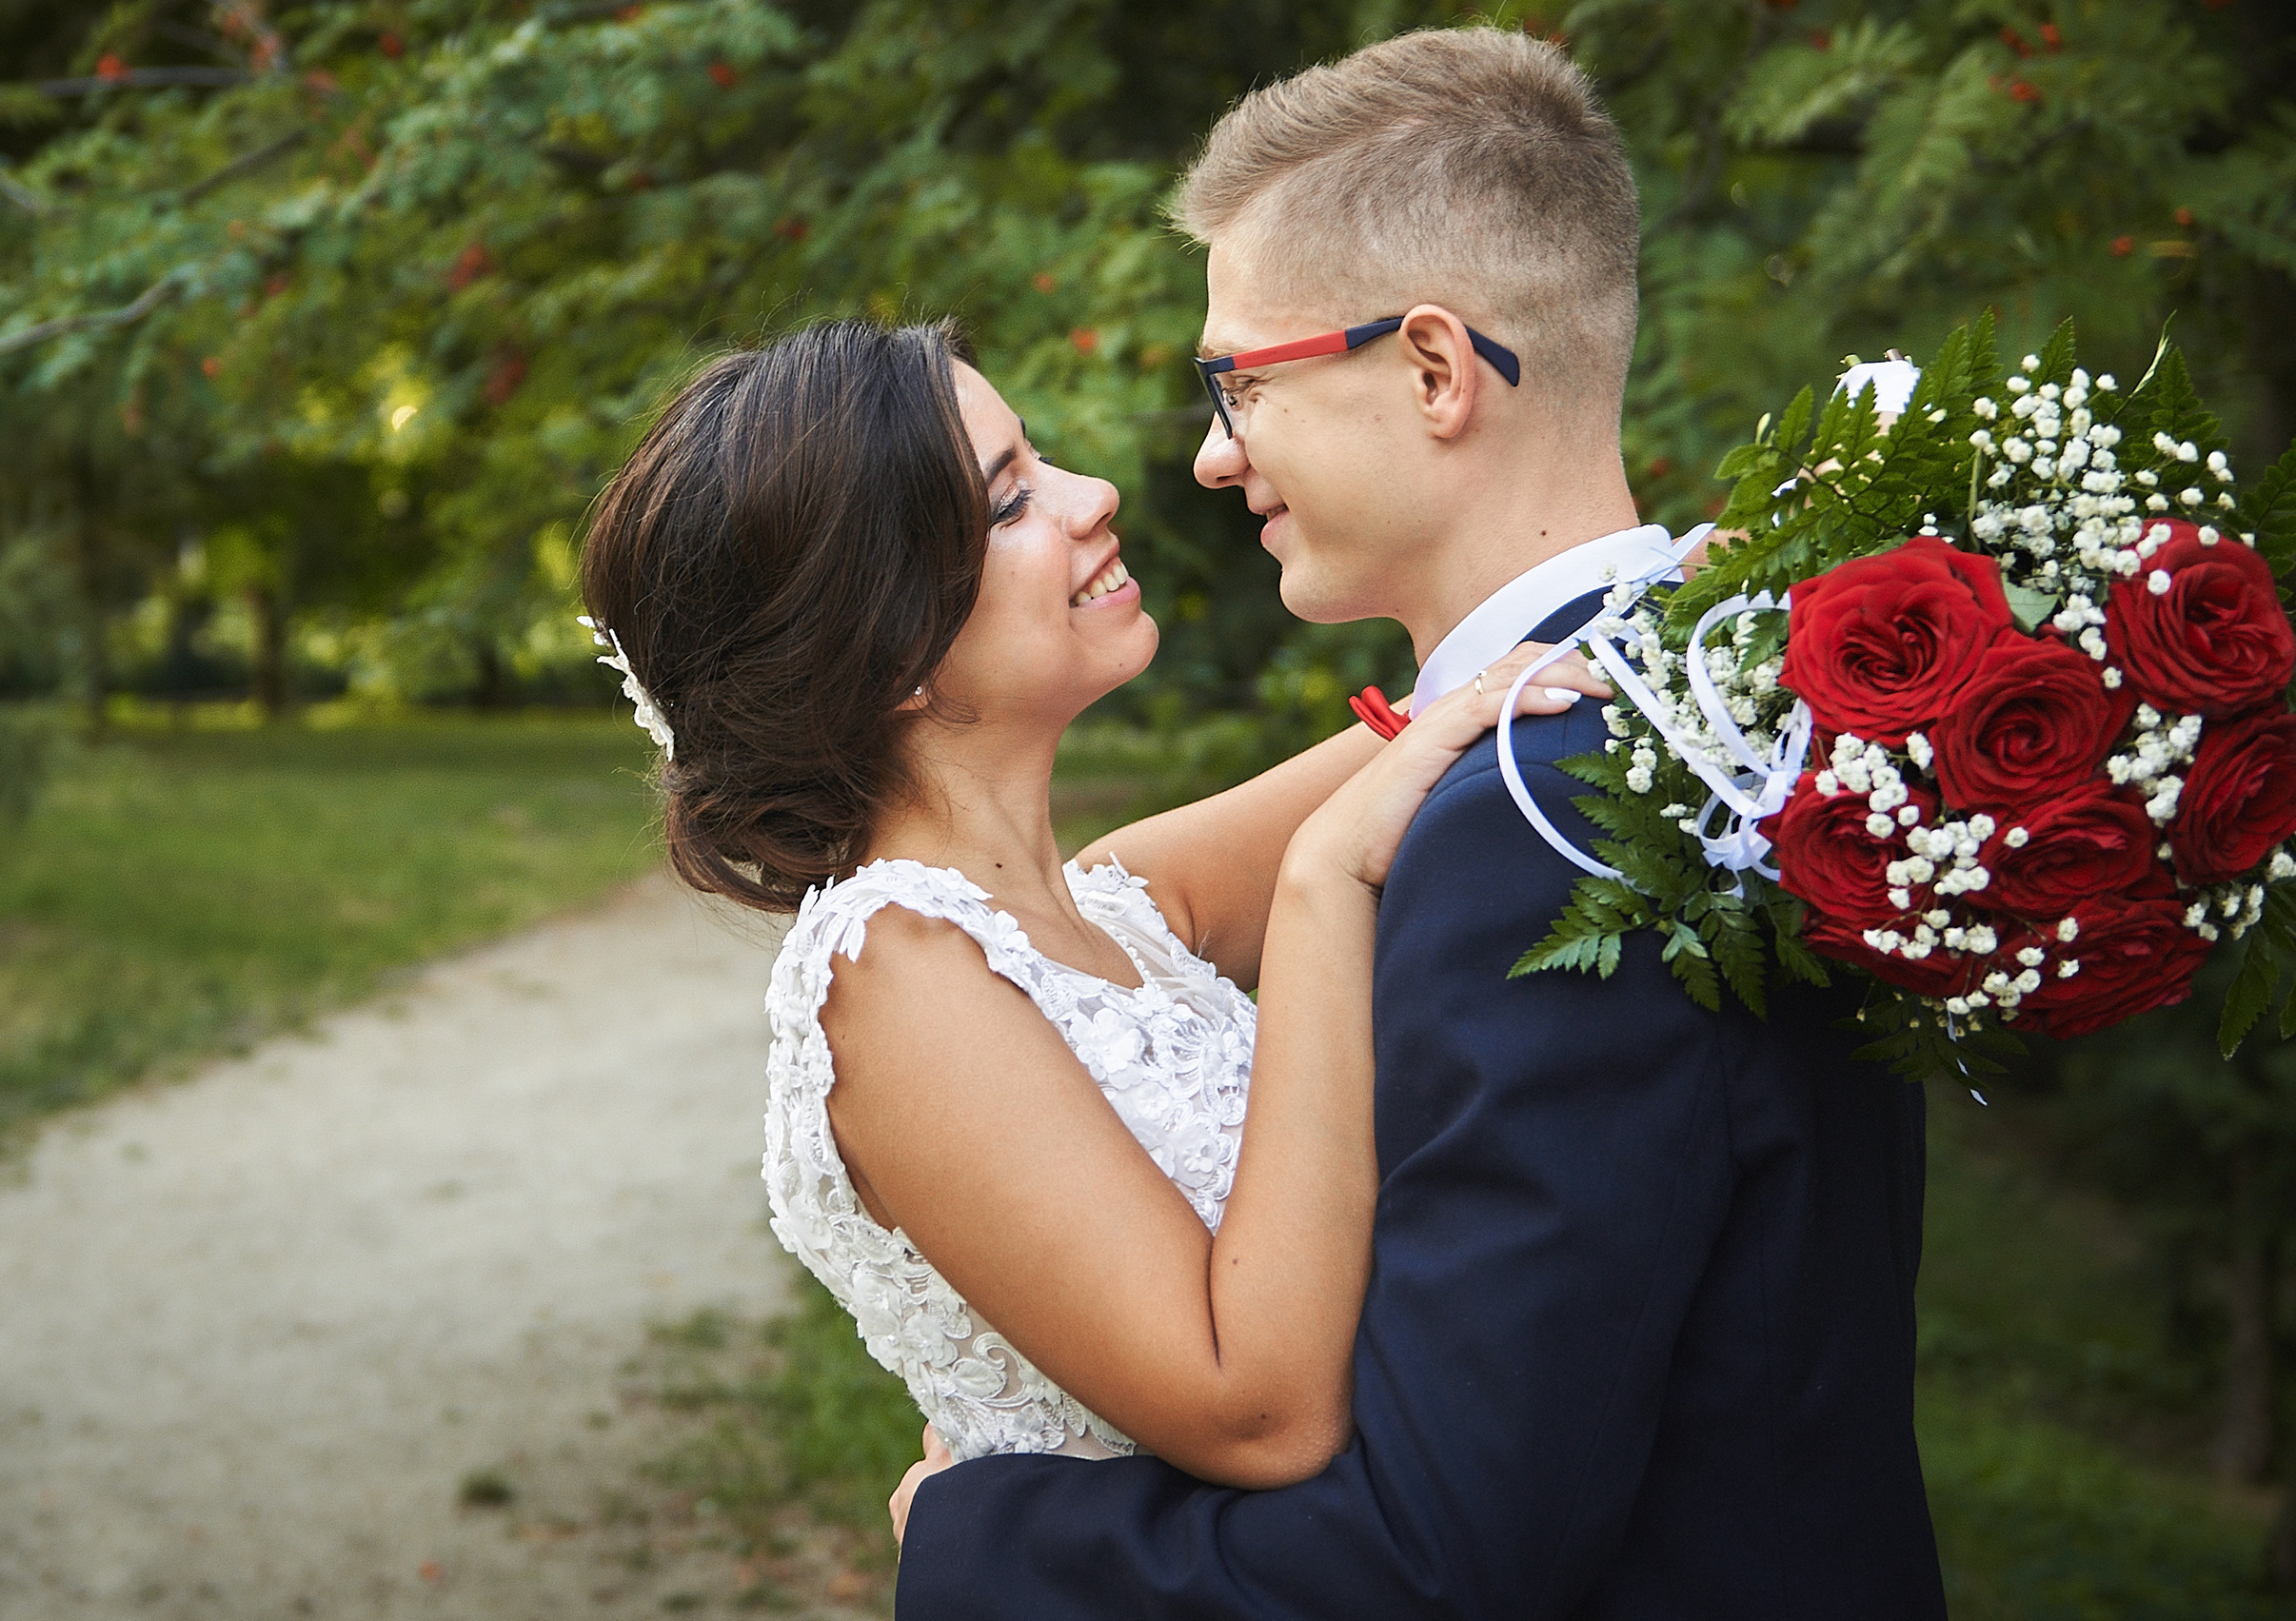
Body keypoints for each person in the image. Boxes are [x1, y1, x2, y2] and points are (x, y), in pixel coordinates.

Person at [890, 27, 1948, 1619]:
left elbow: (1443, 1553)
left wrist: (970, 1540)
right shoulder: (1735, 696)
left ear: (1437, 369)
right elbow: (1097, 903)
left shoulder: (1536, 819)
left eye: (1237, 380)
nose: (1207, 450)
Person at [575, 318, 1607, 1522]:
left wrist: (1717, 577)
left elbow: (1458, 709)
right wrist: (1325, 884)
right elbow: (1257, 1411)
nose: (1094, 494)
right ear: (891, 643)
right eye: (1010, 501)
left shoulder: (1114, 903)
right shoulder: (890, 969)